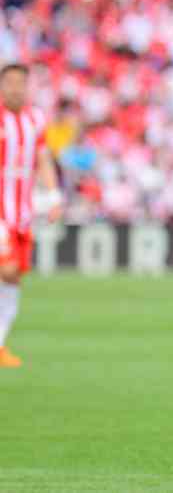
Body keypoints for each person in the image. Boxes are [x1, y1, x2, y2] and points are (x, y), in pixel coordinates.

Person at [0, 63, 63, 368]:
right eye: (9, 82)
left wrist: (53, 196)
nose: (14, 88)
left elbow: (43, 160)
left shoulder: (35, 119)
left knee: (14, 279)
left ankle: (0, 344)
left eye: (20, 83)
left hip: (22, 213)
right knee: (7, 270)